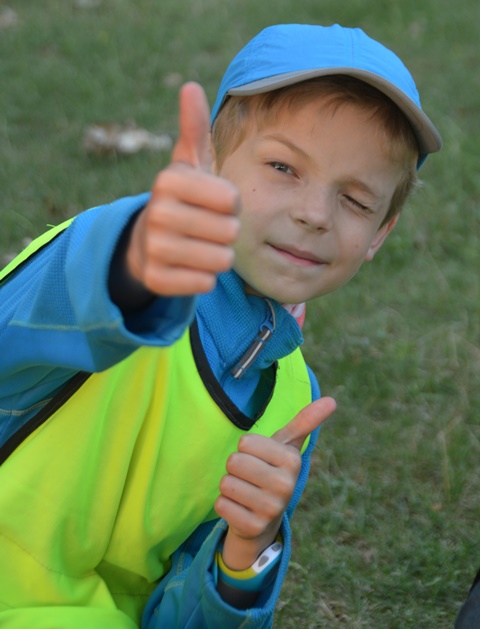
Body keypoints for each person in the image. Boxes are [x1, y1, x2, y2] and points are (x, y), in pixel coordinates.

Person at [0, 23, 441, 629]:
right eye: (284, 166)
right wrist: (135, 261)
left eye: (357, 201)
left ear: (379, 235)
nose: (314, 214)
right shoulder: (109, 268)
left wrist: (242, 560)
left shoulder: (292, 403)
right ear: (211, 159)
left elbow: (177, 617)